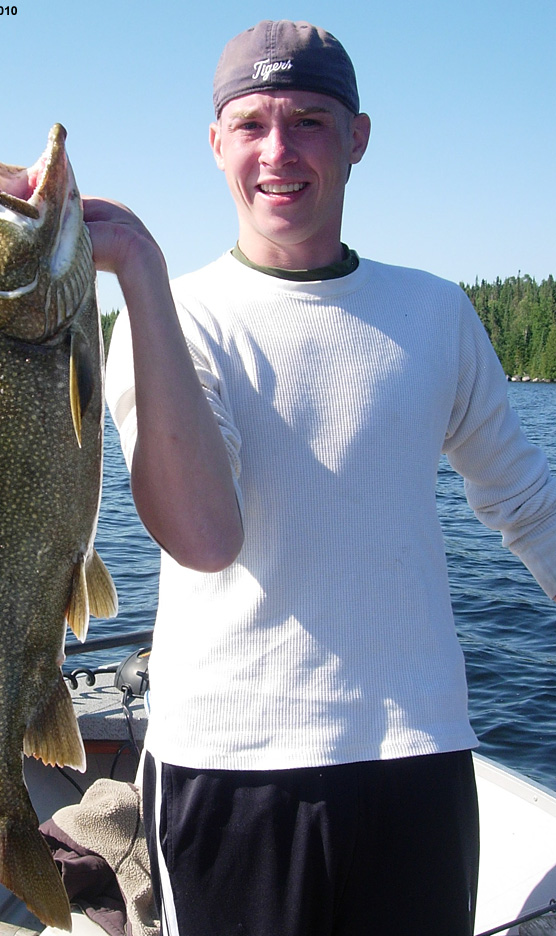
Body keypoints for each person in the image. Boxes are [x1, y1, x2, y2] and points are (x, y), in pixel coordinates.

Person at [83, 20, 556, 936]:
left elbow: (530, 504)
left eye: (307, 120)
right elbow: (205, 536)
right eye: (252, 123)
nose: (278, 151)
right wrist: (139, 271)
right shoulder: (172, 319)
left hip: (417, 761)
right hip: (226, 767)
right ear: (216, 144)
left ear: (358, 138)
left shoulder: (435, 311)